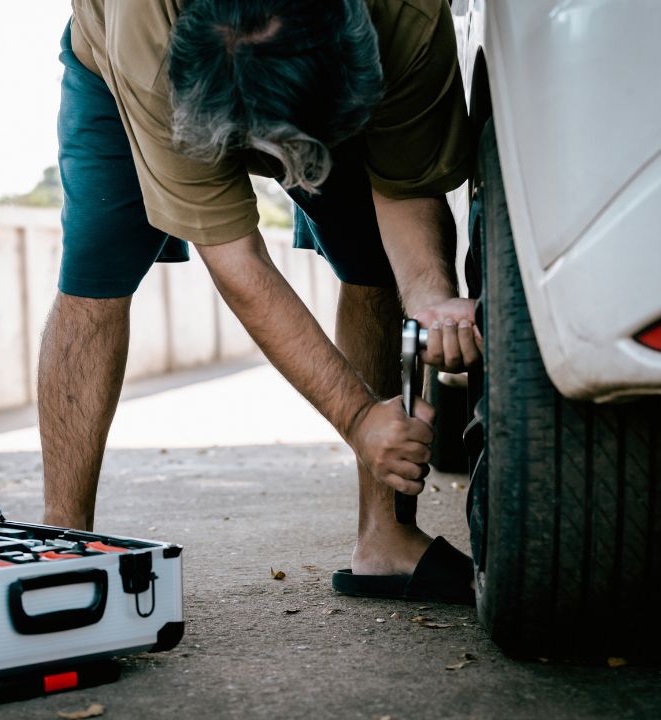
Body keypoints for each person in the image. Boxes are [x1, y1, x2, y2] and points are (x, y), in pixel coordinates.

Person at [39, 0, 481, 604]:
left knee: (375, 264)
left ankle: (386, 540)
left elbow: (406, 186)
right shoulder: (146, 40)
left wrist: (431, 298)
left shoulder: (408, 16)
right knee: (96, 274)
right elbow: (239, 262)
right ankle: (64, 550)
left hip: (339, 69)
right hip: (126, 69)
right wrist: (357, 418)